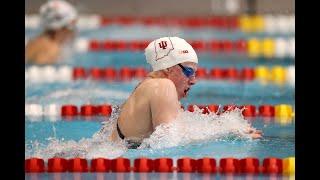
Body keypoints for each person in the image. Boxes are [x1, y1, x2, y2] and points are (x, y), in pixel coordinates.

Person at [109, 37, 262, 149]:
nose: (193, 81)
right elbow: (168, 143)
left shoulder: (145, 88)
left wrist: (224, 128)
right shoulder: (163, 86)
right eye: (189, 72)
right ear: (169, 68)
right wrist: (224, 134)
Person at [25, 0, 77, 64]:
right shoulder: (52, 50)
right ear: (60, 28)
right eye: (72, 25)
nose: (74, 32)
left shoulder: (32, 42)